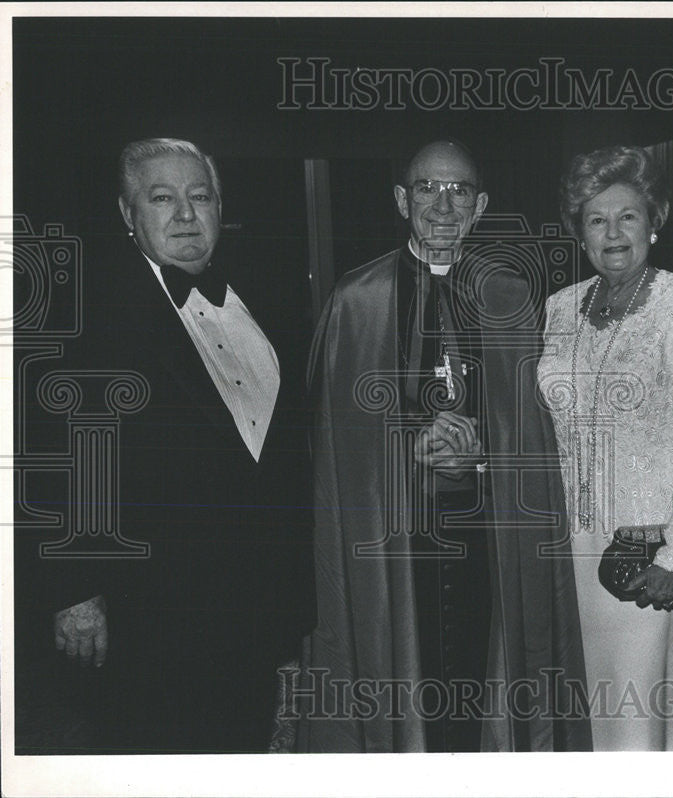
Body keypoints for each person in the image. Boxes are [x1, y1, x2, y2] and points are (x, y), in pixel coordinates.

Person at [17, 138, 315, 753]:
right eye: (162, 198)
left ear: (219, 205)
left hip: (256, 614)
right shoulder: (87, 315)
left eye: (198, 196)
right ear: (128, 215)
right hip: (151, 621)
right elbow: (54, 460)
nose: (185, 214)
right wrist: (72, 592)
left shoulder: (268, 301)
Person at [302, 139, 591, 753]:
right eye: (428, 189)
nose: (443, 204)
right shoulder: (356, 299)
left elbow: (537, 433)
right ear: (402, 200)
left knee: (481, 687)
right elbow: (332, 443)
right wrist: (406, 448)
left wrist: (483, 452)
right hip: (392, 539)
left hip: (488, 529)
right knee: (403, 683)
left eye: (459, 190)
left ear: (480, 204)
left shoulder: (511, 297)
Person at [537, 145, 673, 750]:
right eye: (596, 219)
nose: (613, 232)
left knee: (639, 716)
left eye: (628, 216)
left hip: (643, 545)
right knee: (582, 709)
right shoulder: (559, 308)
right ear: (580, 231)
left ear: (655, 221)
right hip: (567, 541)